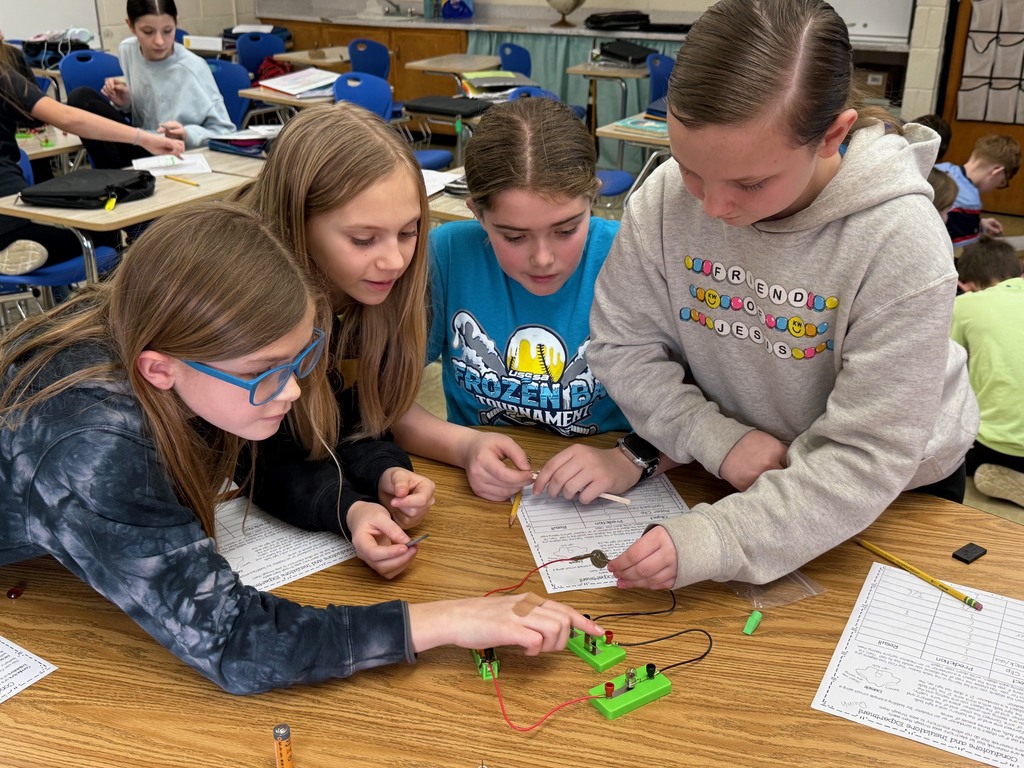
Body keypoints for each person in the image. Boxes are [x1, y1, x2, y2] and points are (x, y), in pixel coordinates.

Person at [0, 201, 602, 694]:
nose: (289, 388)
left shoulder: (175, 344)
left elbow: (289, 440)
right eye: (266, 371)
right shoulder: (91, 443)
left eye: (298, 359)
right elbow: (235, 643)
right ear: (160, 370)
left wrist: (352, 502)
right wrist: (454, 618)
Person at [588, 0, 979, 592]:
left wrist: (723, 538)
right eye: (691, 167)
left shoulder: (900, 240)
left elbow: (867, 453)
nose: (713, 208)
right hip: (731, 468)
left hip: (894, 490)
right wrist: (715, 439)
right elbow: (622, 347)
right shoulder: (665, 199)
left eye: (749, 183)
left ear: (834, 135)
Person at [393, 97, 635, 504]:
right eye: (514, 237)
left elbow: (692, 412)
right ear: (477, 214)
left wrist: (626, 460)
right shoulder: (446, 255)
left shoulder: (628, 256)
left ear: (593, 198)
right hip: (479, 490)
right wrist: (464, 447)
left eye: (566, 229)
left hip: (608, 491)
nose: (543, 258)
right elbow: (386, 403)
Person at [234, 103, 438, 579]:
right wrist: (347, 508)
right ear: (295, 225)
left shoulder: (370, 298)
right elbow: (259, 458)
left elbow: (350, 420)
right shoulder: (249, 307)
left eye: (408, 233)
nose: (394, 261)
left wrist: (387, 471)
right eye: (364, 239)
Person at [0, 63, 183, 275]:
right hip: (10, 215)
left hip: (12, 212)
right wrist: (143, 138)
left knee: (48, 238)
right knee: (102, 233)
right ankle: (99, 305)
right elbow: (68, 117)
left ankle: (58, 292)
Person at [67, 0, 234, 168]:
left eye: (168, 31)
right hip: (141, 143)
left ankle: (118, 178)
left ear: (177, 22)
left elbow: (226, 132)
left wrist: (187, 133)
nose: (159, 41)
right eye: (148, 32)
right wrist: (126, 103)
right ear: (130, 25)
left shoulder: (193, 67)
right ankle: (119, 178)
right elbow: (149, 112)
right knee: (81, 98)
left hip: (176, 153)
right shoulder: (128, 50)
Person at [950, 236, 1024, 508]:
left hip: (1003, 445)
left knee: (956, 457)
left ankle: (1000, 469)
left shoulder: (965, 305)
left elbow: (948, 366)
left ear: (967, 284)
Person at [936, 134, 1020, 246]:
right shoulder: (970, 202)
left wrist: (978, 224)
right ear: (997, 171)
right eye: (1002, 182)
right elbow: (968, 253)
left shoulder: (939, 168)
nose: (997, 186)